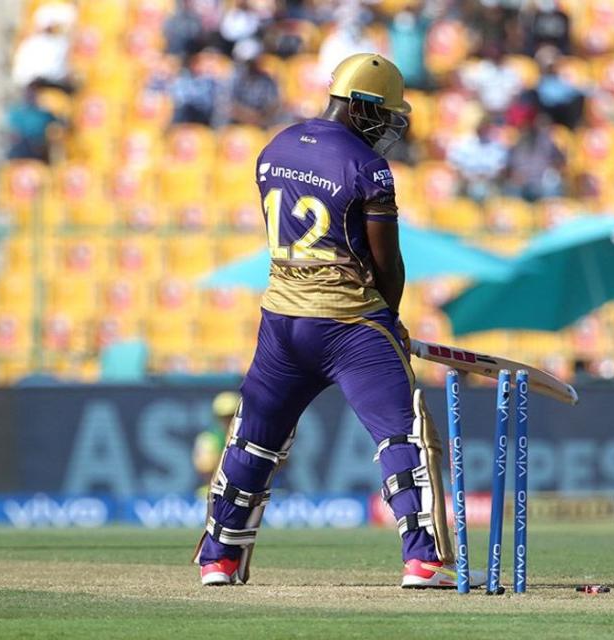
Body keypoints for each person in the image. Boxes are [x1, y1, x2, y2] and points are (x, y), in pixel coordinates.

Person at [194, 53, 486, 590]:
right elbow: (386, 261)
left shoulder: (274, 147)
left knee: (254, 439)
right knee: (405, 436)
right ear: (361, 105)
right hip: (350, 323)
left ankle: (220, 560)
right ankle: (422, 562)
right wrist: (392, 319)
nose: (389, 128)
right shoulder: (368, 167)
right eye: (386, 115)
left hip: (281, 318)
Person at [191, 391, 240, 496]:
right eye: (224, 416)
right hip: (214, 490)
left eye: (232, 415)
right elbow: (205, 468)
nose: (228, 420)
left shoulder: (250, 438)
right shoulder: (208, 439)